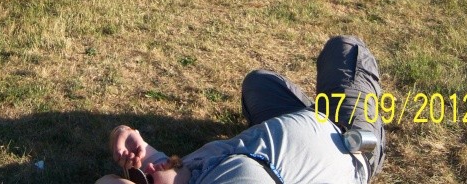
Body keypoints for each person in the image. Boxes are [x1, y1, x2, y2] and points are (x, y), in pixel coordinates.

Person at [98, 35, 385, 184]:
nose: (145, 167)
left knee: (258, 83)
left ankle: (308, 113)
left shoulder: (181, 170)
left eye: (132, 173)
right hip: (351, 143)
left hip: (303, 124)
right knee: (346, 47)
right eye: (142, 179)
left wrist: (125, 133)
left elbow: (147, 155)